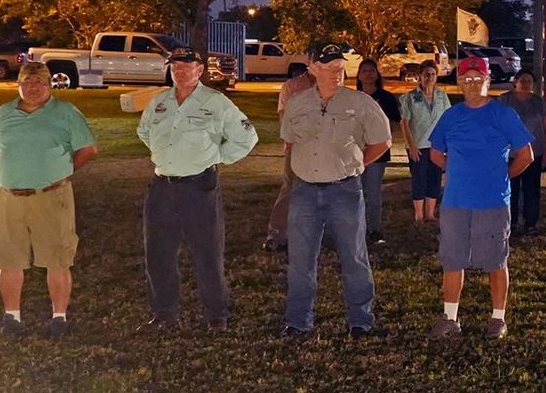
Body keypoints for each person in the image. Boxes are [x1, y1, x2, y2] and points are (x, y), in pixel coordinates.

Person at [137, 47, 257, 331]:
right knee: (158, 254)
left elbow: (246, 137)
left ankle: (217, 315)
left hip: (198, 188)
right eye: (175, 67)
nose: (179, 71)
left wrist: (217, 158)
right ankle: (164, 314)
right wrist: (166, 156)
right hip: (162, 188)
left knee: (207, 254)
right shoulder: (159, 102)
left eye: (186, 66)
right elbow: (144, 132)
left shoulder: (215, 102)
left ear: (199, 70)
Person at [279, 44, 392, 339]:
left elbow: (381, 143)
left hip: (345, 191)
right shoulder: (297, 103)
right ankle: (299, 321)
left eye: (339, 67)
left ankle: (360, 320)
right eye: (328, 67)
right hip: (304, 191)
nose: (335, 73)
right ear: (312, 68)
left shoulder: (361, 102)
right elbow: (289, 141)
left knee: (354, 256)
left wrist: (353, 166)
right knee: (301, 259)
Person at [0, 61, 97, 337]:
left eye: (39, 82)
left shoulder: (66, 112)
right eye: (27, 82)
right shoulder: (3, 113)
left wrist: (60, 171)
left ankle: (59, 318)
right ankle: (12, 317)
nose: (32, 87)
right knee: (7, 258)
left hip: (51, 196)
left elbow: (89, 149)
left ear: (49, 85)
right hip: (9, 198)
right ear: (19, 84)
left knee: (57, 257)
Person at [427, 57, 535, 339]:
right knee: (453, 260)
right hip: (455, 201)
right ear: (460, 83)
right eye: (467, 79)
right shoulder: (451, 116)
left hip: (493, 201)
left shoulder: (503, 115)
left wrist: (502, 176)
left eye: (479, 78)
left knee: (496, 260)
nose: (473, 83)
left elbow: (526, 155)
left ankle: (497, 318)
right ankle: (450, 318)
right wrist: (458, 171)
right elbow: (436, 153)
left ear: (488, 82)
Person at [264, 67, 316, 251]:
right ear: (311, 61)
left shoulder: (335, 85)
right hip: (297, 146)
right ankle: (277, 233)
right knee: (290, 188)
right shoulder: (293, 86)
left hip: (326, 149)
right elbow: (283, 116)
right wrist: (291, 142)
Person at [496, 70, 546, 238]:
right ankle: (510, 222)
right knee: (509, 188)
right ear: (515, 82)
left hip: (534, 153)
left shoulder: (538, 103)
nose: (526, 84)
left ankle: (531, 223)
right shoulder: (504, 100)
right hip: (510, 153)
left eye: (530, 81)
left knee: (532, 189)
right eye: (523, 81)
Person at [354, 60, 402, 247]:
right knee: (354, 193)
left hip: (377, 153)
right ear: (358, 75)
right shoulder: (352, 97)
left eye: (371, 71)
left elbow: (395, 123)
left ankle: (373, 229)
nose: (367, 74)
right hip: (354, 153)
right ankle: (356, 229)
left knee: (372, 193)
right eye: (364, 71)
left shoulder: (386, 98)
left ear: (377, 74)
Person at [399, 62, 451, 223]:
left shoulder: (442, 97)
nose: (429, 77)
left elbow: (448, 120)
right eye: (426, 74)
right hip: (418, 146)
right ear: (420, 77)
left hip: (437, 146)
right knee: (418, 179)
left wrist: (447, 145)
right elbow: (404, 123)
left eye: (433, 74)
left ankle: (430, 213)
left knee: (434, 179)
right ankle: (419, 215)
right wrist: (412, 146)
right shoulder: (409, 97)